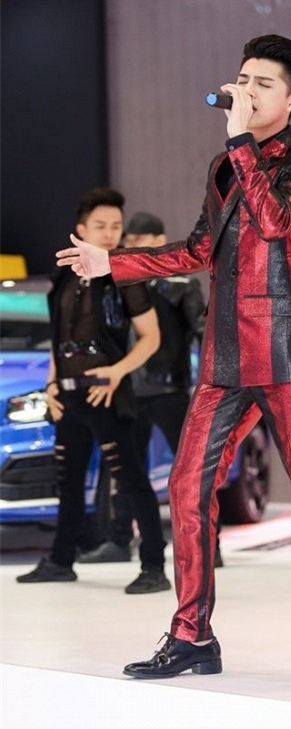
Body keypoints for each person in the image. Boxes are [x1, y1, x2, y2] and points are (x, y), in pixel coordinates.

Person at [56, 34, 291, 697]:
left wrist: (241, 143)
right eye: (242, 79)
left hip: (286, 353)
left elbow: (277, 224)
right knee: (186, 489)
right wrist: (113, 264)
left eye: (262, 84)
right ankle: (192, 636)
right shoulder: (225, 164)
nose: (245, 91)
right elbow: (200, 249)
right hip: (225, 356)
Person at [17, 188, 171, 595]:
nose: (109, 234)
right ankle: (60, 561)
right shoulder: (63, 276)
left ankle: (154, 566)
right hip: (67, 394)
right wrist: (52, 383)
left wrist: (116, 373)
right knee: (68, 482)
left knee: (131, 479)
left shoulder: (125, 274)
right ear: (81, 229)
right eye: (100, 226)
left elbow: (151, 338)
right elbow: (59, 339)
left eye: (116, 226)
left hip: (106, 392)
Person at [78, 212, 215, 566]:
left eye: (141, 239)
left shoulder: (181, 285)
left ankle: (208, 544)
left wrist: (210, 380)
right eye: (132, 240)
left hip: (170, 388)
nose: (134, 244)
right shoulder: (122, 281)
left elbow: (202, 331)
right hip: (131, 387)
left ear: (160, 240)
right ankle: (119, 538)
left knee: (191, 468)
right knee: (126, 469)